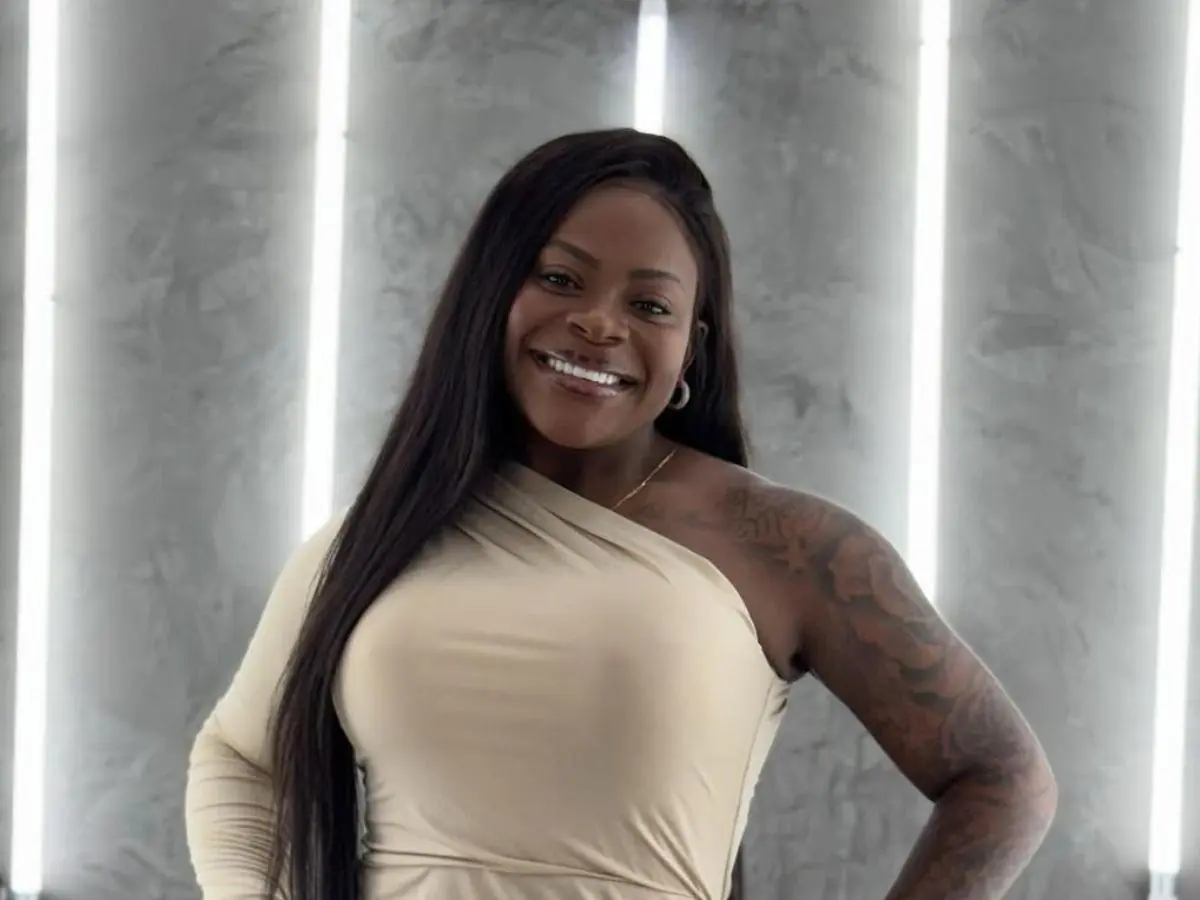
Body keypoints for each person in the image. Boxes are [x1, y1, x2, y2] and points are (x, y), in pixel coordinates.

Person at [185, 128, 1057, 900]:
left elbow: (1002, 777)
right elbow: (241, 757)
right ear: (491, 297)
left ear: (689, 350)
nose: (599, 324)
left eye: (649, 305)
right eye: (560, 278)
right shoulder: (375, 538)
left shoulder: (785, 547)